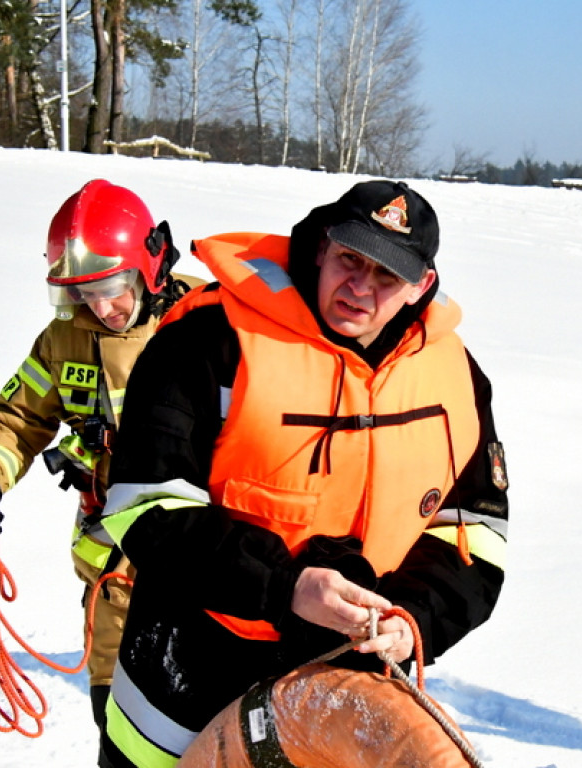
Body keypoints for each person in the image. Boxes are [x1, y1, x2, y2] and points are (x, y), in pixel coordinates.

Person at [95, 179, 509, 767]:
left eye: (387, 276)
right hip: (185, 691)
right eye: (349, 260)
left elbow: (477, 534)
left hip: (343, 702)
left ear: (422, 285)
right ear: (320, 248)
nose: (360, 288)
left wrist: (414, 619)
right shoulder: (205, 341)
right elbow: (145, 507)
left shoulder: (457, 376)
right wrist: (285, 585)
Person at [0, 179, 202, 732]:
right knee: (118, 732)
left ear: (150, 263)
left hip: (206, 572)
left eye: (112, 287)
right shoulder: (65, 339)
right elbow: (17, 418)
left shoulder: (213, 317)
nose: (100, 306)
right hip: (113, 572)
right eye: (82, 292)